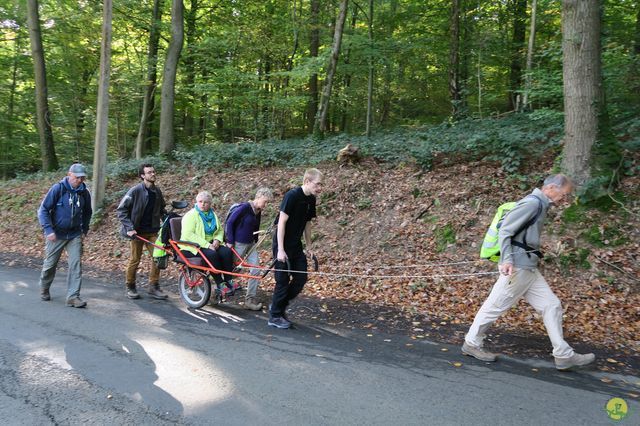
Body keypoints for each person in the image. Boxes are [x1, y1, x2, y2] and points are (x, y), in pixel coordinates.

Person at [462, 174, 596, 371]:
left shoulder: (540, 204)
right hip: (518, 266)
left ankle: (563, 355)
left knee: (551, 305)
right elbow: (505, 230)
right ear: (551, 188)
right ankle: (472, 343)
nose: (564, 199)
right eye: (564, 194)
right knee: (494, 306)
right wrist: (507, 259)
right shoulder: (532, 204)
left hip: (528, 267)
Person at [268, 168, 322, 329]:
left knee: (301, 278)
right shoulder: (291, 196)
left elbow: (307, 223)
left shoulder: (311, 200)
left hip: (296, 245)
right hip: (282, 245)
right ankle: (275, 316)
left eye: (321, 185)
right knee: (282, 282)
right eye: (317, 184)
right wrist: (280, 250)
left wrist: (309, 246)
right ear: (307, 181)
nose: (320, 188)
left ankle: (278, 306)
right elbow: (282, 223)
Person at [37, 163, 92, 308]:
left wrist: (84, 229)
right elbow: (43, 210)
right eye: (77, 177)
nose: (80, 180)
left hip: (74, 234)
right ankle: (44, 286)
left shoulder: (84, 192)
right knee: (50, 265)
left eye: (82, 178)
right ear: (69, 175)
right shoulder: (58, 189)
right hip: (56, 234)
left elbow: (87, 212)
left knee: (76, 266)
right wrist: (48, 230)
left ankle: (73, 297)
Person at [116, 163, 168, 300]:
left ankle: (153, 286)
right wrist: (129, 228)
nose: (153, 174)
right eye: (149, 172)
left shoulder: (157, 192)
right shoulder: (135, 191)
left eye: (153, 171)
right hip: (136, 232)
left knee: (158, 258)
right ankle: (130, 286)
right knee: (135, 260)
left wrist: (168, 221)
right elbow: (121, 210)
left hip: (152, 232)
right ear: (142, 176)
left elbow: (162, 210)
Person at [225, 187, 274, 310]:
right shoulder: (244, 208)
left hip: (251, 244)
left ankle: (249, 299)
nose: (266, 205)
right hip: (238, 244)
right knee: (233, 270)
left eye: (268, 202)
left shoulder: (258, 211)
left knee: (256, 270)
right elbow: (230, 222)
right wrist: (230, 241)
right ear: (259, 197)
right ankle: (218, 290)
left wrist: (256, 241)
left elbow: (255, 226)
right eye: (265, 201)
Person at [180, 191, 236, 296]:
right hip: (192, 246)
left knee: (227, 252)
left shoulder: (212, 214)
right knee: (212, 254)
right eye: (200, 201)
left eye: (206, 202)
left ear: (210, 204)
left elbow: (219, 230)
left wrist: (217, 240)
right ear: (196, 202)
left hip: (211, 243)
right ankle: (220, 283)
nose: (203, 204)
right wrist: (207, 245)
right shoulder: (191, 215)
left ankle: (229, 281)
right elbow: (188, 234)